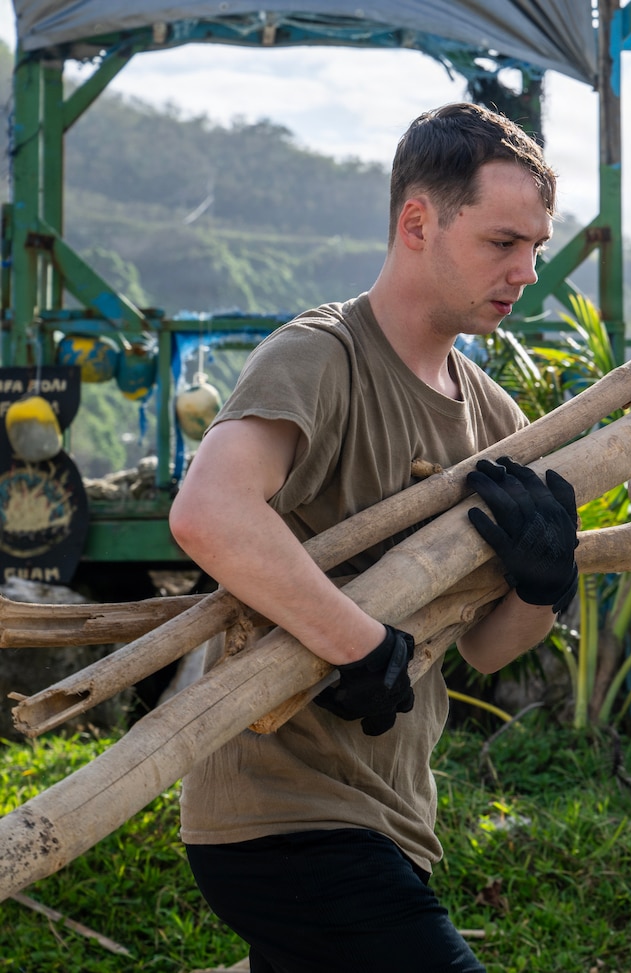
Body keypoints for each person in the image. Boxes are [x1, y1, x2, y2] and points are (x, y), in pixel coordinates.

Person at [168, 103, 580, 973]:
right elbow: (211, 510)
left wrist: (541, 587)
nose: (525, 271)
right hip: (280, 815)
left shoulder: (493, 417)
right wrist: (357, 643)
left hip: (396, 818)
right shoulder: (321, 358)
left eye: (535, 247)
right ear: (418, 221)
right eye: (503, 241)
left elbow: (489, 648)